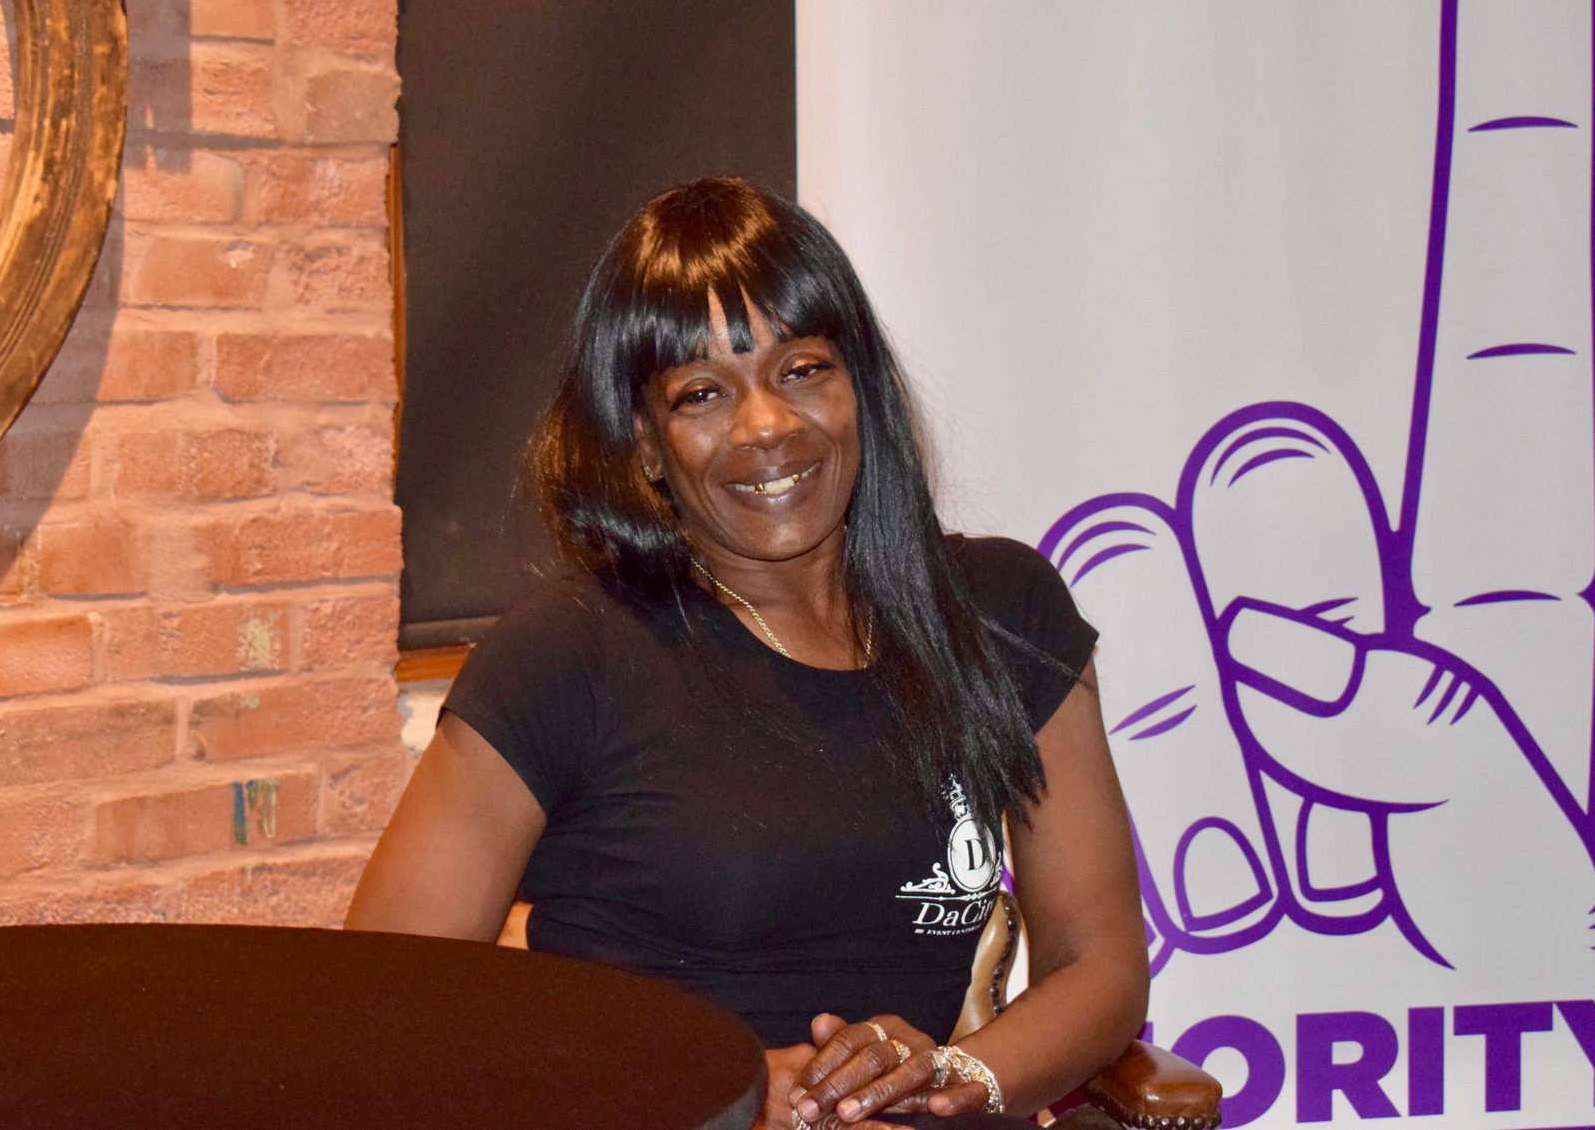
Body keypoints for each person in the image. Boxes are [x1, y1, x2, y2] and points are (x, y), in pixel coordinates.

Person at [348, 178, 1148, 1129]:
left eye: (803, 367)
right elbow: (382, 1003)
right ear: (645, 444)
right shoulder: (566, 656)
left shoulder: (1001, 612)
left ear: (861, 387)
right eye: (702, 394)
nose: (767, 424)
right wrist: (715, 1085)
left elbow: (1097, 959)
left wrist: (945, 1079)